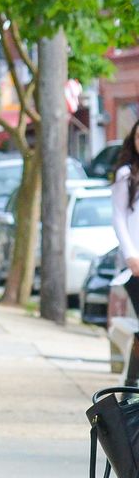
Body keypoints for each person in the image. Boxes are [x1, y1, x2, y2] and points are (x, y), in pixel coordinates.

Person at [111, 118, 139, 386]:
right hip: (134, 265)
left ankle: (131, 386)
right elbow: (118, 217)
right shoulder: (126, 175)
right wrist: (131, 256)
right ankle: (131, 388)